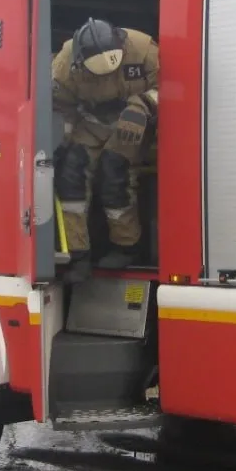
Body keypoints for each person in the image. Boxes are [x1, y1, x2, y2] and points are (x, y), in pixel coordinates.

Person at [52, 17, 159, 280]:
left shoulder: (144, 50)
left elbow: (172, 87)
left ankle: (126, 246)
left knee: (115, 170)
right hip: (92, 120)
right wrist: (59, 142)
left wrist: (142, 105)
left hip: (134, 120)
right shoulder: (65, 66)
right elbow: (61, 107)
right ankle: (79, 255)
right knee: (71, 173)